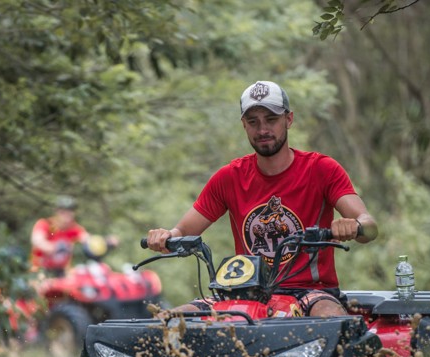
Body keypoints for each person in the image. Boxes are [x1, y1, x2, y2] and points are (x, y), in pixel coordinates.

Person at [146, 80, 378, 317]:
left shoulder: (321, 169)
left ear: (288, 119)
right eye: (253, 122)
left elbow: (369, 226)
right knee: (171, 321)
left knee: (331, 319)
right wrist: (166, 236)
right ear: (244, 126)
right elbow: (183, 231)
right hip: (245, 292)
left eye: (271, 119)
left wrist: (353, 225)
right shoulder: (230, 177)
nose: (262, 129)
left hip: (310, 292)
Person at [30, 195, 89, 276]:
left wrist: (104, 243)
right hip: (40, 269)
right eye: (63, 211)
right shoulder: (46, 224)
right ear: (57, 211)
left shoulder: (74, 228)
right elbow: (37, 241)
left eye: (70, 210)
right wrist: (56, 247)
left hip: (61, 271)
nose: (67, 214)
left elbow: (87, 239)